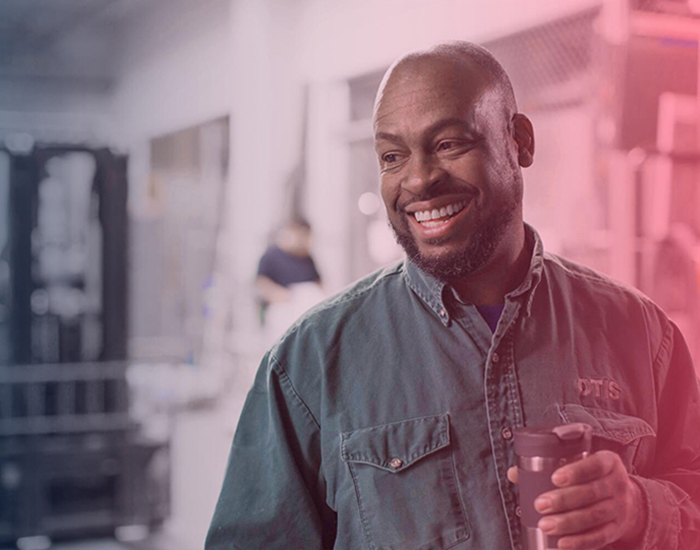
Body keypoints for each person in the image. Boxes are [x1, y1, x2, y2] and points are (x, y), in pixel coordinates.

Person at [206, 42, 700, 549]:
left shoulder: (641, 333)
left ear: (520, 141)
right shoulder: (308, 365)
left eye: (448, 144)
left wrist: (641, 508)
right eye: (392, 156)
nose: (418, 179)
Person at [256, 217, 324, 343]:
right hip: (282, 307)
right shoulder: (271, 256)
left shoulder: (307, 259)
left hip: (306, 306)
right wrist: (284, 296)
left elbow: (319, 284)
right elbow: (262, 285)